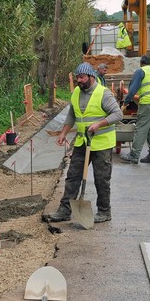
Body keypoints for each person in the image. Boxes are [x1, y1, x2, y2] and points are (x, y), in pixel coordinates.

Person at [46, 62, 123, 224]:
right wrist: (63, 133)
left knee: (101, 179)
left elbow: (118, 114)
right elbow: (72, 115)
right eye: (78, 77)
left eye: (82, 77)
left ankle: (104, 211)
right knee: (73, 176)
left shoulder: (103, 93)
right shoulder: (76, 93)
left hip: (102, 144)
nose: (79, 80)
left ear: (91, 76)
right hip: (82, 142)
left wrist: (99, 124)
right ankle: (64, 210)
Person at [121, 55, 150, 164]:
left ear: (141, 63)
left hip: (148, 103)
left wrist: (125, 104)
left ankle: (134, 155)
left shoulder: (140, 71)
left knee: (141, 129)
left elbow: (132, 90)